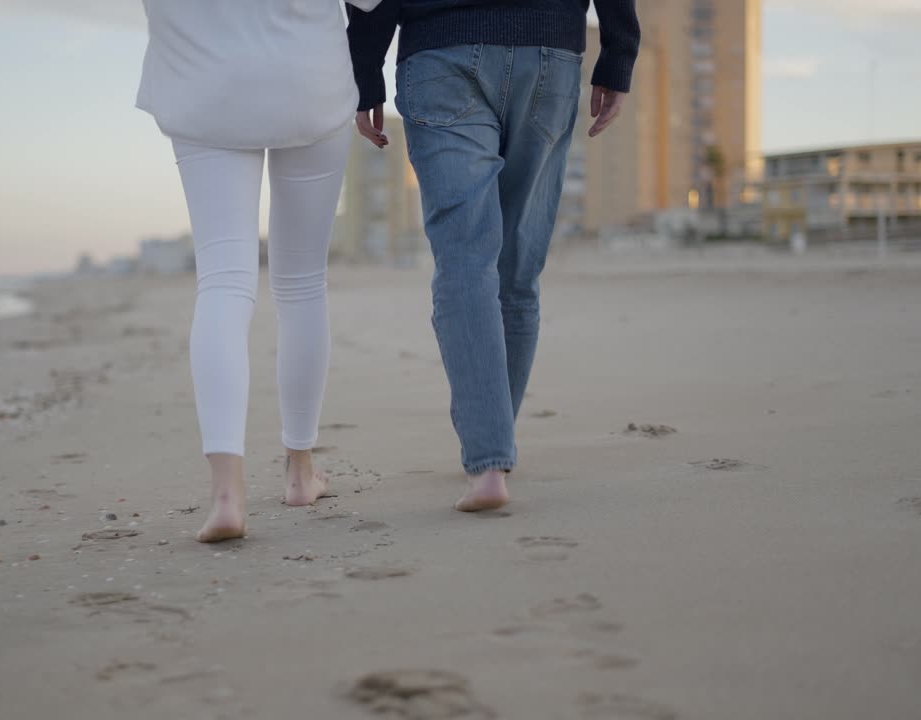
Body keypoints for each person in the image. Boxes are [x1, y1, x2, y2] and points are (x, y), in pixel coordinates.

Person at [346, 0, 640, 511]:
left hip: (440, 52)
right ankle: (494, 446)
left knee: (465, 257)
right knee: (518, 268)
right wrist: (618, 52)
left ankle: (487, 461)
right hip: (548, 51)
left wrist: (365, 71)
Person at [137, 0, 384, 543]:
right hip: (308, 86)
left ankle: (227, 494)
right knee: (301, 284)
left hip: (203, 89)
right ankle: (300, 472)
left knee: (223, 281)